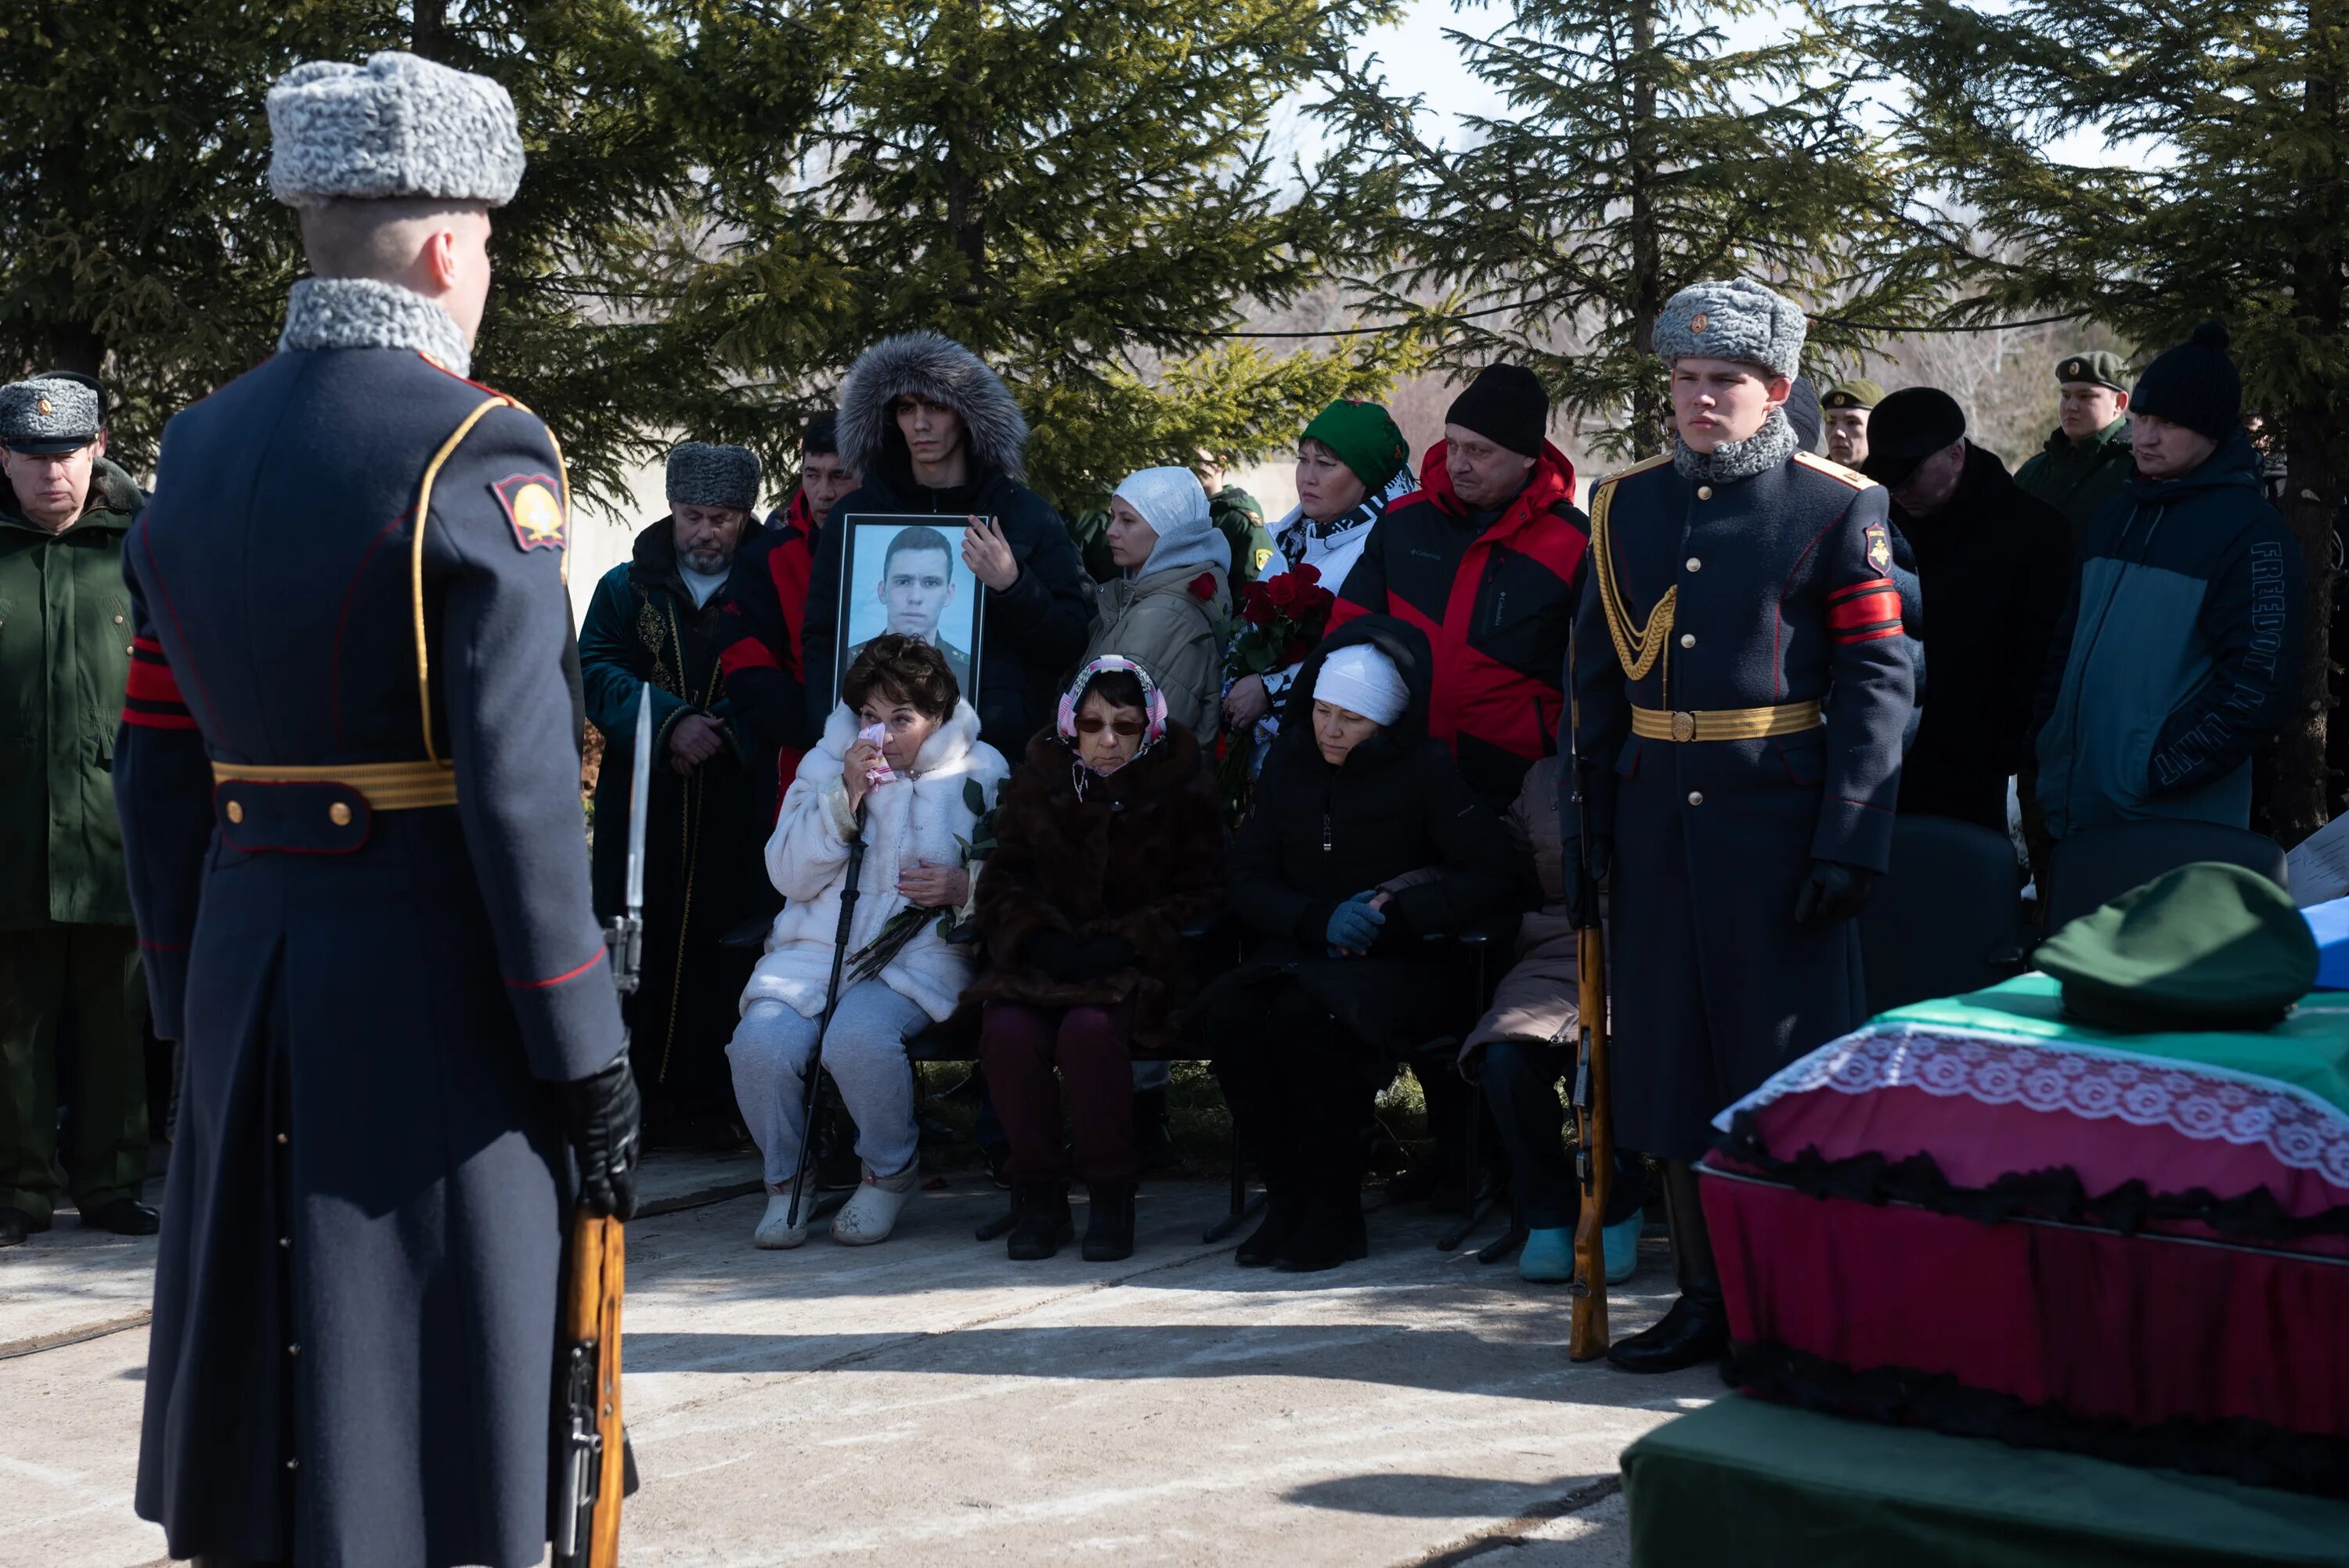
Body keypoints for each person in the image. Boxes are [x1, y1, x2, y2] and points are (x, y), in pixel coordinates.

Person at [114, 52, 640, 1566]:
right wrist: (582, 1039)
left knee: (274, 1387)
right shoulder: (479, 447)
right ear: (445, 246)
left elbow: (153, 751)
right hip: (429, 978)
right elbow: (523, 779)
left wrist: (182, 986)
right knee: (422, 1406)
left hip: (245, 958)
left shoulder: (198, 449)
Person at [1576, 277, 1913, 1374]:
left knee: (1785, 1073)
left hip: (1778, 827)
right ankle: (1704, 1299)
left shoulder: (1834, 504)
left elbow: (1876, 679)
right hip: (1656, 826)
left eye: (1724, 380)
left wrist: (1850, 834)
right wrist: (1587, 824)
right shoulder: (1625, 504)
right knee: (1673, 1069)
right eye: (1685, 379)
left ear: (1775, 389)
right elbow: (1592, 675)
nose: (1700, 398)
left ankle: (1800, 1308)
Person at [1202, 618, 1518, 1273]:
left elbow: (1493, 874)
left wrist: (1395, 913)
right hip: (1305, 946)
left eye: (1352, 718)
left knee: (1307, 1021)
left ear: (1386, 721)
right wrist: (1317, 919)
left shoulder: (1425, 770)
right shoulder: (1291, 763)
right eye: (1321, 710)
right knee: (1230, 1015)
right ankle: (1287, 1199)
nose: (1330, 730)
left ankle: (1335, 1211)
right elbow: (1247, 875)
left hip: (1405, 962)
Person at [728, 636, 1007, 1248]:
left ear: (936, 720)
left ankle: (887, 1174)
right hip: (813, 953)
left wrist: (966, 886)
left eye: (901, 719)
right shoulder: (825, 766)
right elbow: (787, 874)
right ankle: (786, 1182)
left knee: (856, 1038)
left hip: (916, 957)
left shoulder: (983, 772)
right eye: (869, 717)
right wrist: (843, 801)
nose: (880, 734)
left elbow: (1020, 877)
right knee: (758, 1044)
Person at [960, 658, 1225, 1261]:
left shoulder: (1182, 787)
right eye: (1093, 723)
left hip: (1136, 964)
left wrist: (1128, 939)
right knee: (1006, 1028)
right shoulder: (1040, 780)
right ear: (1070, 724)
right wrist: (1037, 937)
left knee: (1088, 1031)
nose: (1108, 739)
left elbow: (1205, 893)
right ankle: (1039, 1193)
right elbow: (1003, 881)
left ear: (1149, 726)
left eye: (1125, 725)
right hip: (1046, 959)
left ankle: (1110, 1193)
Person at [579, 441, 792, 1148]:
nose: (707, 531)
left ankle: (722, 1110)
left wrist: (723, 732)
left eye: (724, 517)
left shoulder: (773, 581)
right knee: (637, 943)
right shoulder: (624, 587)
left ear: (745, 516)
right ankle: (631, 1108)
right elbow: (595, 665)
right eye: (694, 514)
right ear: (672, 509)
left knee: (728, 943)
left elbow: (793, 669)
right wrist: (669, 722)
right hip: (646, 800)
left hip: (741, 800)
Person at [2035, 321, 2306, 844]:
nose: (2146, 436)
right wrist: (2050, 736)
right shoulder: (2115, 516)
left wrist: (2151, 771)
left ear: (2211, 431)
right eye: (2141, 419)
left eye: (2169, 423)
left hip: (2174, 827)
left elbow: (2257, 686)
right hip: (2079, 806)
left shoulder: (2251, 533)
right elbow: (2066, 644)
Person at [0, 373, 155, 1247]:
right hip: (9, 824)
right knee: (9, 1022)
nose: (52, 472)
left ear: (97, 448)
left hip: (115, 826)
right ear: (4, 457)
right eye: (33, 454)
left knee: (114, 1019)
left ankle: (111, 1182)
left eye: (67, 452)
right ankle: (15, 1189)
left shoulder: (148, 543)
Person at [802, 331, 1093, 755]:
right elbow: (821, 638)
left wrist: (1013, 586)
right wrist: (834, 732)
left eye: (936, 405)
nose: (920, 424)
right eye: (906, 408)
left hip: (993, 758)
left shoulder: (1024, 515)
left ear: (966, 413)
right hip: (874, 759)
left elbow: (1070, 642)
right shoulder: (856, 517)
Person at [1330, 364, 1590, 813]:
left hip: (1517, 784)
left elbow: (1593, 673)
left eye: (1478, 451)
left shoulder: (1573, 541)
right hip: (1399, 766)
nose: (1457, 464)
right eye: (1451, 444)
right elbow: (1348, 632)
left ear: (1527, 456)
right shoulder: (1403, 523)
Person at [1461, 755, 1646, 1286]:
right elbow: (1494, 863)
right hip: (1553, 950)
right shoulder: (1543, 778)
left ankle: (1618, 1207)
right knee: (1504, 1056)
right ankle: (1547, 1212)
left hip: (1644, 952)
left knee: (1612, 1056)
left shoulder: (1668, 759)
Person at [1861, 387, 2070, 836]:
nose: (1898, 491)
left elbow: (2044, 657)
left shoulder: (2034, 534)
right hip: (1876, 749)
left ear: (1956, 455)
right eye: (1888, 478)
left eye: (1910, 475)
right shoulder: (1875, 524)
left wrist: (2001, 746)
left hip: (1974, 764)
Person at [1220, 398, 1413, 756]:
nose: (1308, 477)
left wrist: (1269, 688)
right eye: (1303, 460)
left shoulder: (1386, 550)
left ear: (1367, 476)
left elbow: (1373, 660)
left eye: (1325, 464)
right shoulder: (1295, 535)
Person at [1083, 467, 1232, 738]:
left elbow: (1121, 741)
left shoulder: (1164, 616)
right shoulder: (1148, 597)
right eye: (1113, 517)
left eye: (1127, 521)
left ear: (1170, 531)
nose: (1110, 531)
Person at [2015, 350, 2135, 548]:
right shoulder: (2034, 469)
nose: (2071, 406)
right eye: (2066, 395)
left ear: (2119, 402)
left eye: (2085, 396)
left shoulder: (2134, 471)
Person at [842, 523, 975, 691]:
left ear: (948, 594)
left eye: (931, 583)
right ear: (882, 591)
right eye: (903, 582)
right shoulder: (848, 665)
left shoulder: (969, 671)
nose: (915, 597)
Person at [1196, 446, 1276, 583]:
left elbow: (1254, 581)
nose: (1190, 467)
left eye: (1198, 460)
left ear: (1221, 464)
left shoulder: (1240, 518)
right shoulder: (1193, 512)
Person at [1820, 379, 1884, 470]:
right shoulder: (1810, 479)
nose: (1838, 432)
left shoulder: (1897, 482)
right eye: (1831, 422)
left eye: (1852, 423)